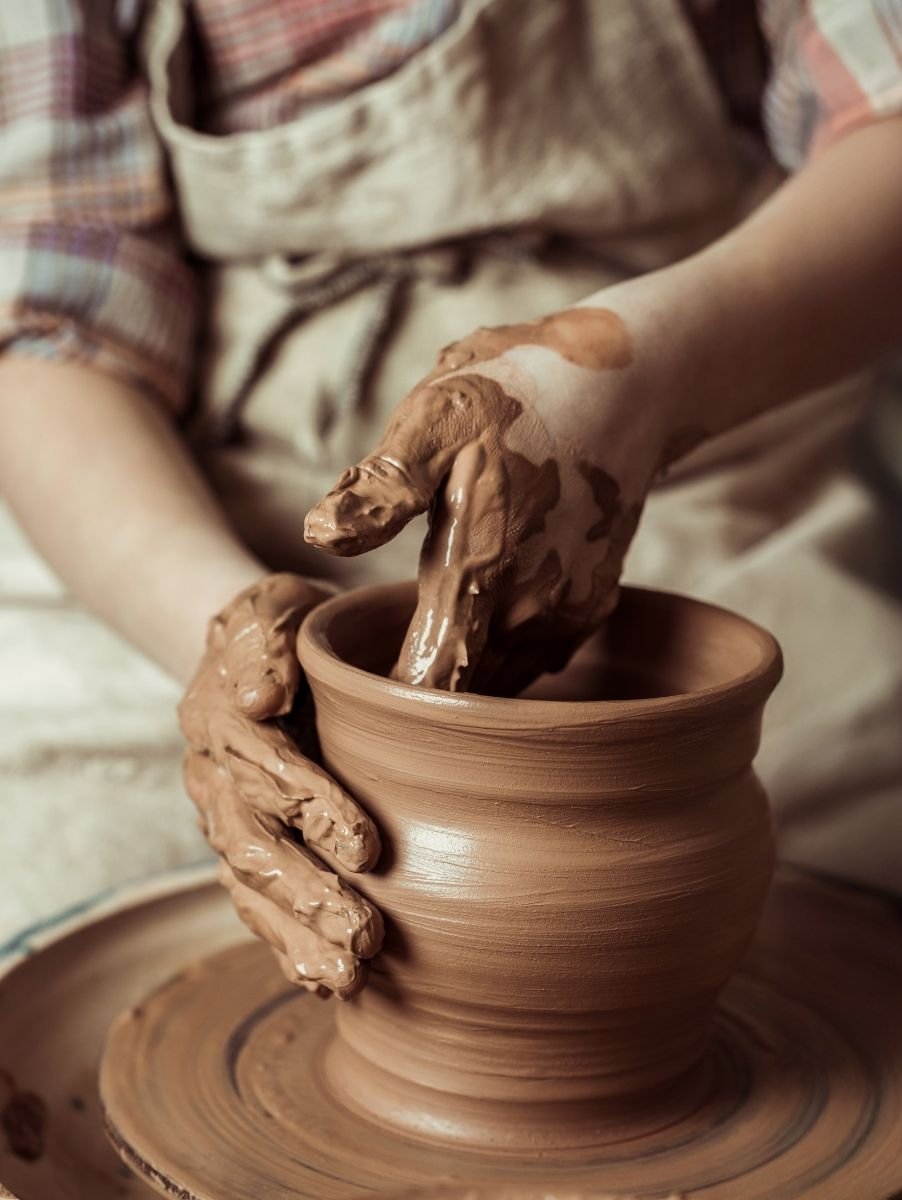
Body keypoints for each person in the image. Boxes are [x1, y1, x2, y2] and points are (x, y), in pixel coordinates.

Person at [1, 1, 901, 989]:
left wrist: (630, 368)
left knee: (843, 886)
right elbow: (50, 322)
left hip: (680, 425)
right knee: (48, 891)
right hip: (188, 491)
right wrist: (222, 640)